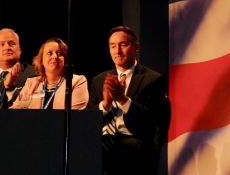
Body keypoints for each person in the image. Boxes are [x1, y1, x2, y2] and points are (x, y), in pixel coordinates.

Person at [88, 26, 170, 175]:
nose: (117, 51)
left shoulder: (153, 79)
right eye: (112, 46)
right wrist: (105, 105)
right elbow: (88, 122)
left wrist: (122, 99)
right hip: (103, 138)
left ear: (136, 47)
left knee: (108, 149)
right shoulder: (99, 80)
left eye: (123, 45)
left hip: (134, 140)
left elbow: (151, 123)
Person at [11, 38, 88, 109]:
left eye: (59, 53)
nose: (55, 56)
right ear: (41, 60)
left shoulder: (77, 81)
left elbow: (75, 116)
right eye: (49, 53)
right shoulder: (31, 83)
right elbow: (16, 112)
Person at [0, 28, 36, 108]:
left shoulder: (34, 75)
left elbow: (30, 105)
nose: (7, 47)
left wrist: (11, 88)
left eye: (11, 44)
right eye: (2, 44)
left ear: (19, 51)